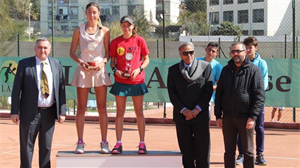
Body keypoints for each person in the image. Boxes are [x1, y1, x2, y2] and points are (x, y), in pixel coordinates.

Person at [10, 37, 66, 168]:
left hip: (49, 113)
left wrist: (62, 111)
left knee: (46, 147)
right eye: (40, 47)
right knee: (26, 148)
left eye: (45, 48)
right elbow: (16, 89)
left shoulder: (56, 64)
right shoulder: (24, 64)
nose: (42, 50)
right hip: (29, 114)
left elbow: (61, 89)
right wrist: (14, 111)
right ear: (35, 49)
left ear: (50, 49)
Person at [70, 2, 112, 154]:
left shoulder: (105, 31)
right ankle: (80, 142)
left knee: (102, 108)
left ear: (98, 13)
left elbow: (108, 53)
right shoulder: (78, 30)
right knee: (81, 108)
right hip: (83, 71)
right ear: (86, 13)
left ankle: (104, 142)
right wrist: (81, 61)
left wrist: (103, 64)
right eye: (89, 12)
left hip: (99, 72)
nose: (92, 15)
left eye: (94, 12)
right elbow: (72, 52)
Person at [215, 43, 265, 168]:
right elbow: (220, 93)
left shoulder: (254, 70)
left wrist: (252, 117)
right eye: (233, 52)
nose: (235, 54)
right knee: (229, 152)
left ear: (245, 52)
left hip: (245, 118)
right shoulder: (226, 70)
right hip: (228, 118)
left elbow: (259, 96)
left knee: (248, 152)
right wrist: (218, 116)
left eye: (238, 51)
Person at [167, 41, 213, 168]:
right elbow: (172, 93)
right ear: (180, 54)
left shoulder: (205, 67)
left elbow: (208, 91)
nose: (189, 56)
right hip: (182, 117)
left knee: (202, 152)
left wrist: (196, 110)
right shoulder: (173, 70)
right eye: (185, 53)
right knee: (186, 152)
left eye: (191, 52)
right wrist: (184, 110)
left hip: (200, 116)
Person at [109, 15, 150, 154]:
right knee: (120, 113)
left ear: (133, 26)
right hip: (121, 81)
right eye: (124, 25)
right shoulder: (115, 42)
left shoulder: (140, 40)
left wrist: (139, 69)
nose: (126, 28)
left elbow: (146, 59)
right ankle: (118, 143)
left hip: (137, 81)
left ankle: (142, 143)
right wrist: (116, 71)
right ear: (121, 27)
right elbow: (112, 62)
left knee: (139, 112)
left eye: (129, 25)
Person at [236, 37, 269, 166]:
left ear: (256, 48)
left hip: (256, 102)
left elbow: (264, 84)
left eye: (250, 47)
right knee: (240, 128)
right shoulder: (239, 62)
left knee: (259, 127)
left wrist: (253, 94)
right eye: (246, 47)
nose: (248, 50)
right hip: (242, 102)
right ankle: (242, 154)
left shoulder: (262, 64)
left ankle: (259, 155)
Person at [197, 42, 222, 120]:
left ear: (217, 53)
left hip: (208, 98)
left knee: (205, 121)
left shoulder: (218, 66)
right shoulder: (196, 61)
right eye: (209, 50)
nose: (210, 53)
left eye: (213, 51)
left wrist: (206, 88)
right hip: (194, 97)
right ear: (206, 50)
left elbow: (220, 86)